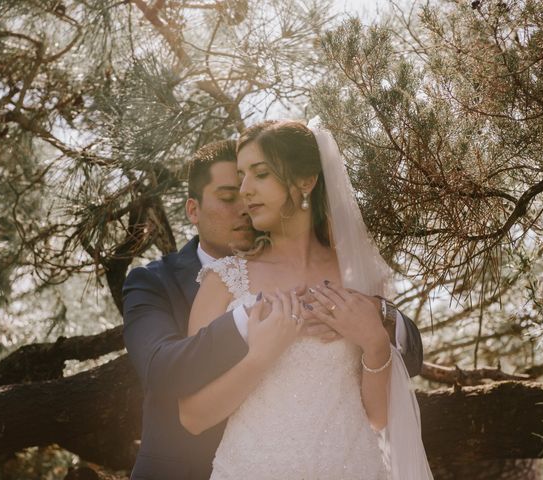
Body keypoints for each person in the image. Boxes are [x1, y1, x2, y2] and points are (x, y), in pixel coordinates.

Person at [122, 139, 424, 480]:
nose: (245, 202)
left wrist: (375, 324)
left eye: (255, 180)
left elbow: (392, 384)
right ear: (193, 211)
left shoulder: (350, 271)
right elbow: (164, 371)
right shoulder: (160, 282)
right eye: (228, 195)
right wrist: (251, 322)